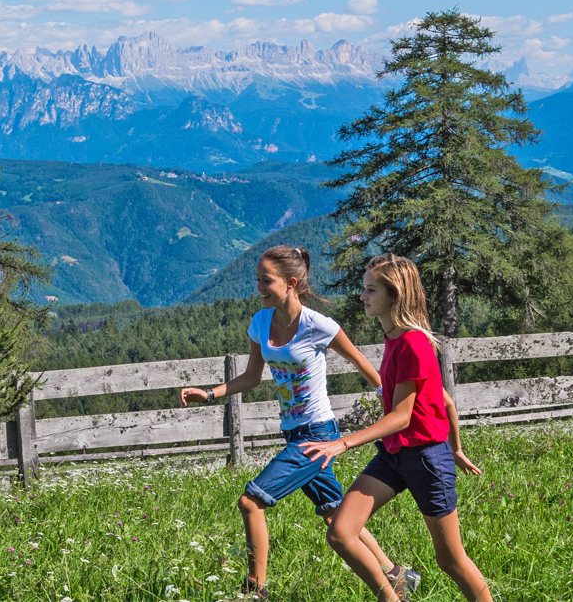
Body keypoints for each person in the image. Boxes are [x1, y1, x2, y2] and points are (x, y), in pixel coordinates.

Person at [180, 245, 418, 601]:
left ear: (291, 283)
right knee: (333, 512)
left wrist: (401, 411)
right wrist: (211, 394)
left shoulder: (317, 325)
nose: (259, 287)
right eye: (257, 280)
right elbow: (250, 376)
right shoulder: (260, 323)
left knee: (251, 501)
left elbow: (367, 368)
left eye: (266, 281)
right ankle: (397, 574)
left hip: (317, 434)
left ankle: (254, 591)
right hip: (293, 432)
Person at [301, 254, 488, 602]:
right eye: (363, 288)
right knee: (341, 532)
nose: (362, 297)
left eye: (371, 290)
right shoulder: (395, 338)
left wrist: (342, 444)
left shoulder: (414, 344)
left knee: (450, 560)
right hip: (394, 455)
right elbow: (445, 400)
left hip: (426, 459)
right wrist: (458, 448)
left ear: (395, 295)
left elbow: (402, 416)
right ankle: (393, 596)